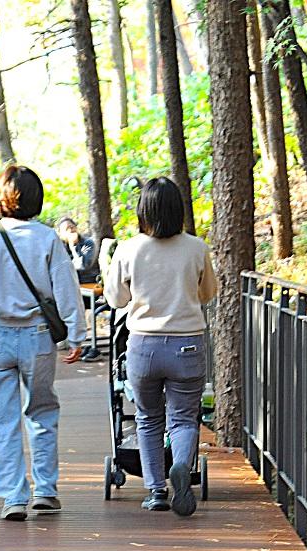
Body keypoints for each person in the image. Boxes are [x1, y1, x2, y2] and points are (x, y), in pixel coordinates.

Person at [0, 165, 87, 521]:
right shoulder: (47, 239)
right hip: (37, 336)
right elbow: (65, 290)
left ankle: (14, 496)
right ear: (36, 200)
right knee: (42, 411)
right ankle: (45, 490)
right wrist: (76, 335)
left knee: (1, 420)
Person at [103, 177, 216, 517]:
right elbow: (208, 292)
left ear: (144, 211)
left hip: (144, 347)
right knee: (183, 418)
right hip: (187, 345)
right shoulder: (196, 248)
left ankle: (156, 491)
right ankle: (180, 464)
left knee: (148, 419)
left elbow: (116, 298)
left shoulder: (128, 249)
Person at [55, 217, 99, 283]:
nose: (70, 230)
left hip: (88, 281)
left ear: (76, 228)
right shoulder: (59, 248)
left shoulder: (88, 243)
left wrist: (74, 246)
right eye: (66, 229)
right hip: (69, 283)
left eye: (72, 227)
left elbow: (83, 266)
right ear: (60, 234)